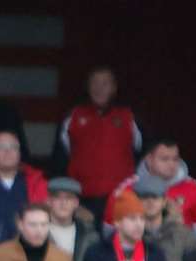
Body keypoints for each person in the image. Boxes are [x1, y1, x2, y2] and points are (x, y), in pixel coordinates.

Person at [53, 66, 141, 217]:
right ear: (88, 87)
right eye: (94, 83)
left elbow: (141, 153)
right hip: (82, 199)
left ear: (114, 88)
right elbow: (61, 157)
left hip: (121, 198)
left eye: (105, 84)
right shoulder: (73, 116)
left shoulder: (129, 117)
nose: (99, 89)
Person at [109, 136, 196, 231]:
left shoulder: (192, 187)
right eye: (164, 159)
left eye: (175, 159)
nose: (171, 164)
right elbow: (110, 227)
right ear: (149, 160)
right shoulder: (127, 188)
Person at [0, 131, 48, 242]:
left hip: (29, 247)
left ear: (19, 153)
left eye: (13, 146)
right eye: (1, 147)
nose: (8, 151)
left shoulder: (37, 182)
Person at [46, 177, 97, 261]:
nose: (63, 203)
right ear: (49, 201)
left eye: (69, 198)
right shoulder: (36, 231)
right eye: (58, 197)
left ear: (76, 203)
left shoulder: (89, 235)